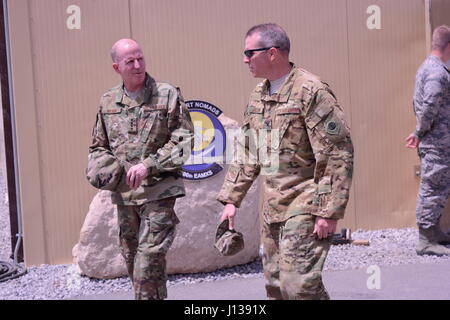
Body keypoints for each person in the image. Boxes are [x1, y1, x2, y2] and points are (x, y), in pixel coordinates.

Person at [217, 23, 354, 300]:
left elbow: (337, 152)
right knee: (277, 287)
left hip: (305, 202)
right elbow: (249, 150)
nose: (245, 59)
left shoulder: (311, 91)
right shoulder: (259, 95)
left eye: (249, 53)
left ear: (272, 53)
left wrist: (328, 211)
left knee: (299, 285)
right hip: (273, 207)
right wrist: (232, 199)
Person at [88, 39, 194, 299]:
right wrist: (101, 170)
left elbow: (184, 141)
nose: (138, 65)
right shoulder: (108, 102)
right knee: (135, 261)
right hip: (125, 197)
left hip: (159, 192)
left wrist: (149, 165)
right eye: (130, 61)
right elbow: (98, 147)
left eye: (140, 58)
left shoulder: (167, 94)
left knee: (148, 260)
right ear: (117, 67)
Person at [405, 25, 450, 256]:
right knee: (432, 189)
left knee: (439, 188)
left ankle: (434, 233)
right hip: (437, 143)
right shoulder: (437, 72)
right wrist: (419, 132)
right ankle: (425, 240)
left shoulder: (428, 67)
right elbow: (429, 106)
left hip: (437, 142)